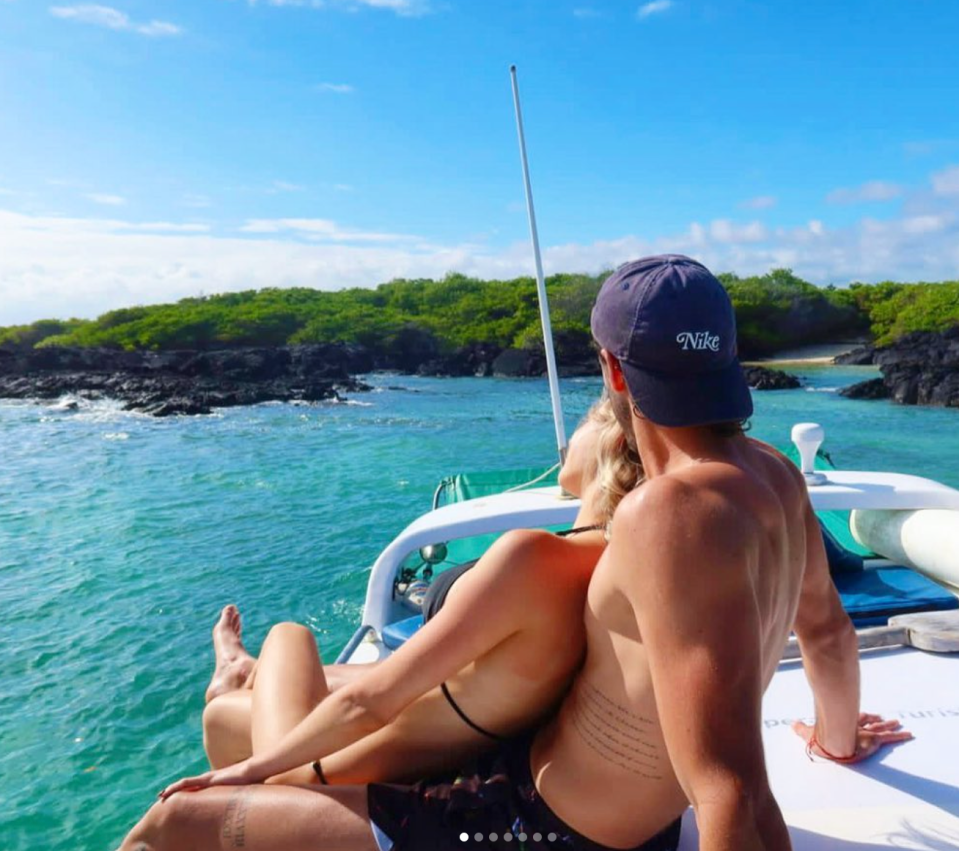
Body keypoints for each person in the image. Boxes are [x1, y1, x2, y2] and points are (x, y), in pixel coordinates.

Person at [120, 256, 911, 851]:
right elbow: (826, 630)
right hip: (548, 791)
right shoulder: (774, 476)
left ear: (609, 372)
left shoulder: (667, 514)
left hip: (534, 830)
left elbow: (733, 788)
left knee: (172, 820)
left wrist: (253, 776)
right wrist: (836, 739)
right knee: (245, 724)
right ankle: (247, 694)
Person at [117, 397, 642, 851]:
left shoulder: (534, 560)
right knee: (224, 716)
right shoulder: (610, 567)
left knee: (288, 636)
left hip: (335, 768)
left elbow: (367, 706)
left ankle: (240, 672)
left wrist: (247, 775)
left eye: (579, 426)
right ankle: (239, 675)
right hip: (437, 739)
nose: (564, 443)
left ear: (613, 437)